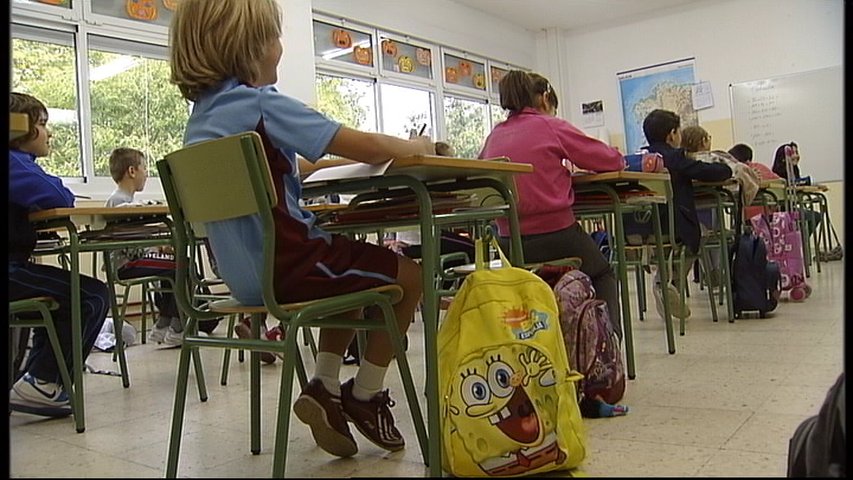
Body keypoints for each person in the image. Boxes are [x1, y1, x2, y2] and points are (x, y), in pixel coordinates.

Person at [169, 0, 434, 458]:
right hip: (289, 265)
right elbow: (370, 144)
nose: (280, 47)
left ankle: (324, 387)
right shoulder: (259, 104)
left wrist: (335, 161)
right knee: (410, 277)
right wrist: (416, 145)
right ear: (248, 48)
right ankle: (365, 395)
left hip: (243, 276)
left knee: (343, 279)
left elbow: (295, 164)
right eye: (274, 36)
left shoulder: (204, 122)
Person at [479, 70, 624, 341]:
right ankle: (609, 345)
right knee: (603, 271)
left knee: (537, 281)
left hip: (510, 242)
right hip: (557, 234)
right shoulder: (549, 125)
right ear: (545, 99)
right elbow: (609, 161)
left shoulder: (494, 136)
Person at [9, 92, 110, 417]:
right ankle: (43, 380)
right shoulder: (12, 162)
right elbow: (58, 195)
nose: (48, 132)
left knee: (61, 298)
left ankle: (38, 380)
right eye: (41, 124)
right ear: (19, 129)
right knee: (92, 295)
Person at [641, 110, 733, 319]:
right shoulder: (674, 157)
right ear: (672, 135)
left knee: (674, 240)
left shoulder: (641, 158)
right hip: (672, 227)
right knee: (697, 236)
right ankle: (668, 283)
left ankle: (666, 282)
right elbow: (713, 172)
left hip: (641, 229)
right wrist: (725, 167)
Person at [105, 147, 184, 345]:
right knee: (182, 265)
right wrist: (153, 250)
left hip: (127, 262)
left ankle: (164, 323)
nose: (146, 174)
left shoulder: (122, 201)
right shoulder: (120, 203)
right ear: (132, 171)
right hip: (126, 265)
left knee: (173, 265)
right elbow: (129, 246)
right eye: (144, 168)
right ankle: (176, 327)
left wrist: (155, 250)